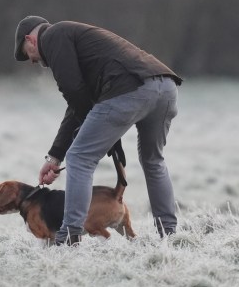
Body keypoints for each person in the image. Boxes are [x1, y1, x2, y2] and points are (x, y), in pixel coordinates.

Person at [14, 16, 182, 245]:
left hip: (129, 90)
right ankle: (170, 234)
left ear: (30, 40)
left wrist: (100, 135)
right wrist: (54, 157)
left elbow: (72, 90)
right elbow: (76, 101)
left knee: (79, 157)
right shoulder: (74, 38)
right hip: (165, 86)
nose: (33, 61)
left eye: (27, 55)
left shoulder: (53, 36)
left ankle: (69, 236)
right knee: (153, 160)